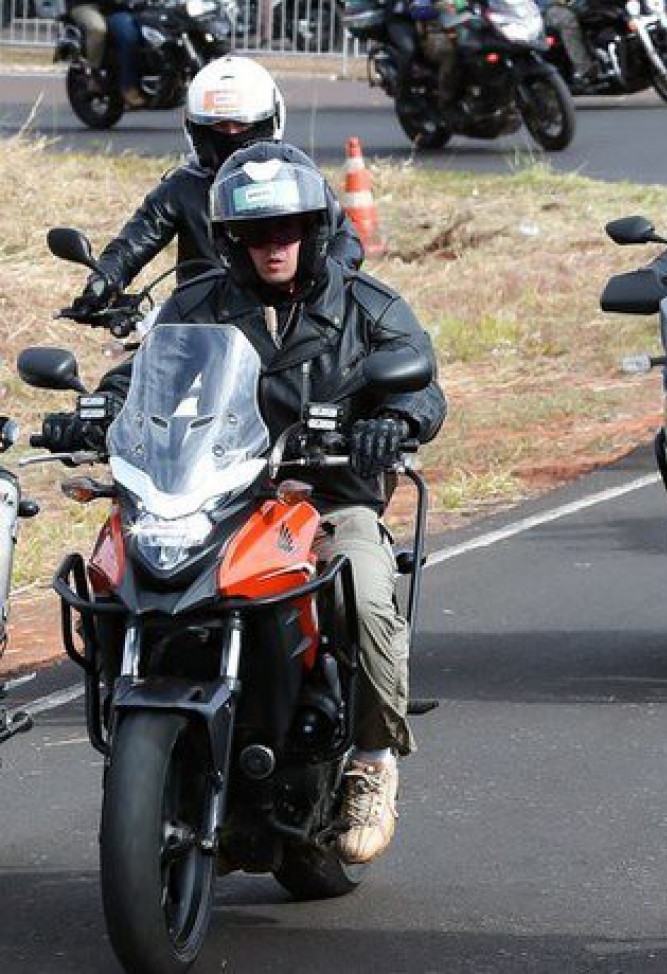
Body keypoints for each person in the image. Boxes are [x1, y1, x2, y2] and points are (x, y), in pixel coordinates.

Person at [45, 141, 447, 865]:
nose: (273, 245)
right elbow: (144, 372)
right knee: (115, 569)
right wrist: (96, 410)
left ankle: (371, 760)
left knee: (360, 587)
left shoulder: (369, 306)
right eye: (256, 232)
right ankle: (145, 720)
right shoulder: (196, 302)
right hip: (213, 498)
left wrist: (395, 421)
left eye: (287, 228)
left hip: (325, 501)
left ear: (315, 229)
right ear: (230, 238)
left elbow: (422, 387)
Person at [70, 56, 365, 319]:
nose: (232, 135)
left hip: (290, 319)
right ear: (196, 129)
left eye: (242, 125)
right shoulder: (183, 186)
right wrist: (103, 280)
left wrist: (323, 289)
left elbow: (345, 238)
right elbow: (134, 242)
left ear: (269, 121)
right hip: (203, 323)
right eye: (219, 127)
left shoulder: (298, 179)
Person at [416, 0, 471, 109]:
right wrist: (437, 6)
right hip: (437, 31)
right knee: (453, 54)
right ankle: (447, 101)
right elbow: (419, 6)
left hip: (467, 26)